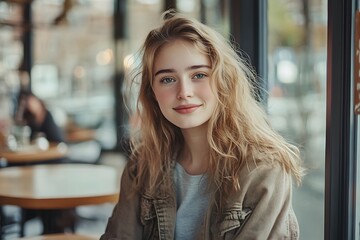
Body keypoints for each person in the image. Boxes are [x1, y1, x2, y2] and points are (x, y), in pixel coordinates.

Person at [101, 10, 304, 240]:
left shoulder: (263, 170)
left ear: (223, 80)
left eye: (198, 75)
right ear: (153, 93)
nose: (184, 93)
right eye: (167, 79)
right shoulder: (143, 166)